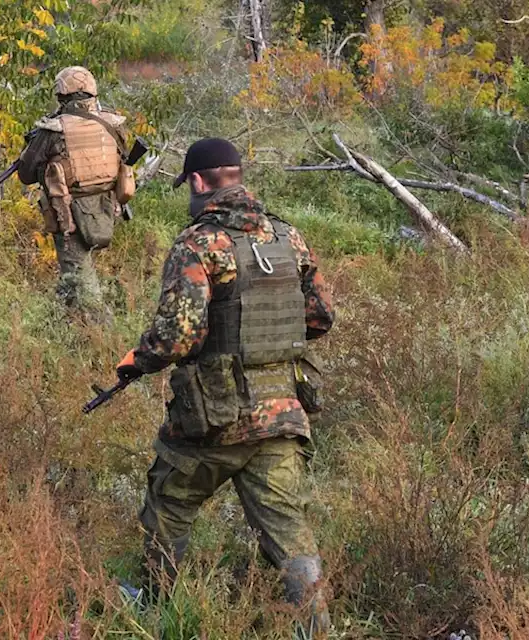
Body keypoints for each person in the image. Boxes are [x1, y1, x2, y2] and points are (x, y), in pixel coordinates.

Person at [115, 138, 335, 635]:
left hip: (214, 418)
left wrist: (137, 360)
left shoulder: (198, 244)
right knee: (290, 534)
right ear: (237, 176)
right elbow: (320, 318)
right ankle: (316, 629)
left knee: (169, 503)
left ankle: (154, 607)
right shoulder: (288, 237)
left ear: (197, 182)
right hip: (281, 414)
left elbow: (178, 335)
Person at [17, 66, 134, 323]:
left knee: (80, 276)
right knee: (76, 271)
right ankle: (62, 322)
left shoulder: (54, 130)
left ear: (61, 96)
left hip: (68, 212)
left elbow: (26, 173)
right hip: (107, 209)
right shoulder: (113, 125)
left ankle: (102, 330)